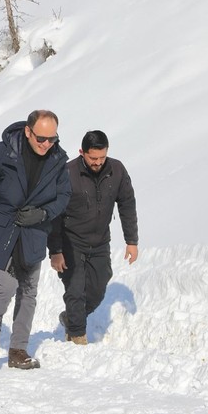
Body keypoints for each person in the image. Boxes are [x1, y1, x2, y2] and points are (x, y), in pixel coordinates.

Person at [0, 110, 71, 370]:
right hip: (0, 230)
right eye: (41, 138)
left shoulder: (57, 160)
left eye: (52, 139)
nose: (46, 144)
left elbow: (63, 197)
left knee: (29, 290)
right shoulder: (1, 153)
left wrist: (43, 213)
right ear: (28, 131)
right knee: (7, 284)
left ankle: (19, 349)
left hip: (33, 233)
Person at [48, 130, 139, 345]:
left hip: (99, 241)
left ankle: (71, 318)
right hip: (71, 242)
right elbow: (54, 216)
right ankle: (77, 338)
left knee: (99, 287)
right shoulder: (67, 173)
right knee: (75, 290)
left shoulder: (116, 170)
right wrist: (56, 251)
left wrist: (132, 241)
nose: (98, 162)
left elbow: (127, 203)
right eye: (93, 158)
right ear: (82, 153)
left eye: (102, 157)